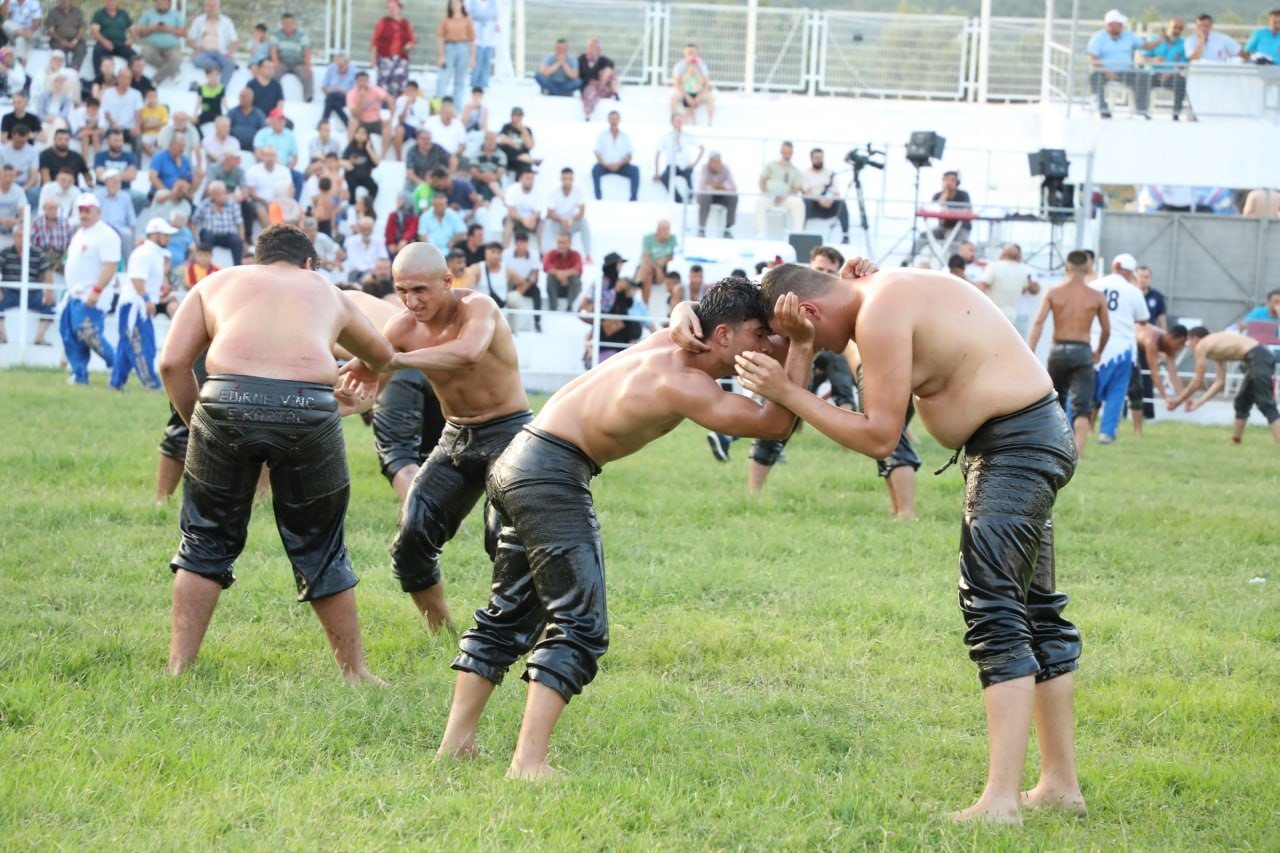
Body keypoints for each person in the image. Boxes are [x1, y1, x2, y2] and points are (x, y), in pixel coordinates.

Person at [691, 261, 1084, 824]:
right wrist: (694, 314)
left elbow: (880, 435)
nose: (821, 349)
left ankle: (1001, 801)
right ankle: (1059, 786)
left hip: (1016, 448)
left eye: (808, 337)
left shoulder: (877, 311)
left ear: (809, 310)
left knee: (995, 610)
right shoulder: (881, 293)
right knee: (1036, 613)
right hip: (1026, 439)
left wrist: (786, 391)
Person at [417, 276, 812, 779]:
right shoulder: (687, 383)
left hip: (519, 456)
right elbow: (777, 424)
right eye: (760, 335)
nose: (768, 346)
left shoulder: (670, 339)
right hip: (548, 474)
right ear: (723, 337)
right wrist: (802, 344)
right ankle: (528, 763)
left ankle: (456, 745)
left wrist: (714, 315)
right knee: (580, 625)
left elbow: (699, 315)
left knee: (510, 611)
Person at [158, 224, 395, 682]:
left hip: (224, 399)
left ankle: (179, 668)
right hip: (308, 408)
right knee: (322, 545)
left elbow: (171, 362)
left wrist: (199, 425)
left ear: (258, 258)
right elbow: (384, 354)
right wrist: (362, 368)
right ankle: (355, 673)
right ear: (310, 263)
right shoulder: (324, 289)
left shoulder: (217, 282)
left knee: (205, 538)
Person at [338, 241, 536, 632]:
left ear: (447, 280)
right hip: (456, 437)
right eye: (401, 291)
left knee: (504, 537)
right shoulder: (401, 329)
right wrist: (347, 401)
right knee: (411, 536)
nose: (410, 301)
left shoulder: (479, 307)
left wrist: (392, 358)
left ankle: (521, 632)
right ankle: (442, 632)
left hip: (510, 433)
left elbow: (467, 353)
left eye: (420, 290)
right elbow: (371, 386)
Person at [1027, 250, 1111, 458]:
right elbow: (1107, 329)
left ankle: (1055, 450)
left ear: (1066, 268)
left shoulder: (1053, 293)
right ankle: (1078, 454)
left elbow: (1038, 322)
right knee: (1082, 406)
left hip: (1058, 351)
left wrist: (1030, 350)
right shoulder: (1096, 296)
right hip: (1083, 351)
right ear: (1088, 268)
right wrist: (1099, 350)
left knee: (1056, 402)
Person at [1168, 327, 1280, 446]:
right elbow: (1220, 382)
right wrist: (1198, 402)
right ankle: (1235, 441)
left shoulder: (1202, 345)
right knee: (1241, 402)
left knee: (1266, 403)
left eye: (1189, 342)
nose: (1189, 346)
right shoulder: (1216, 348)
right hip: (1257, 357)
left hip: (1258, 357)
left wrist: (1177, 401)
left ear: (1195, 339)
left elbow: (1197, 380)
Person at [59, 193, 120, 385]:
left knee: (89, 334)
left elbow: (111, 265)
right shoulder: (80, 233)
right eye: (81, 210)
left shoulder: (106, 234)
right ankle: (79, 375)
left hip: (92, 295)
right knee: (70, 335)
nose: (84, 214)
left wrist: (97, 290)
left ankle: (118, 367)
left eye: (88, 210)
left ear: (98, 212)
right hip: (74, 294)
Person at [1090, 252, 1149, 445]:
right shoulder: (1133, 291)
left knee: (1089, 389)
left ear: (1113, 267)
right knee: (1116, 391)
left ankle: (1082, 429)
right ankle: (1107, 432)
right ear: (1130, 272)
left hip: (1094, 343)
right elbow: (1143, 319)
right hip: (1122, 346)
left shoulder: (1094, 285)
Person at [109, 217, 174, 390]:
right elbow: (137, 279)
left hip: (136, 304)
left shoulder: (153, 253)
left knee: (126, 347)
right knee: (143, 346)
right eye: (165, 235)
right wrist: (147, 300)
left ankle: (116, 384)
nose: (169, 238)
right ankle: (152, 384)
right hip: (136, 305)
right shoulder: (145, 253)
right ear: (154, 234)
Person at [1086, 10, 1153, 119]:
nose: (1122, 25)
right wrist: (1106, 71)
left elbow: (1145, 46)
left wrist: (1159, 40)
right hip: (1103, 71)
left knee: (1143, 75)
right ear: (1110, 24)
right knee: (1094, 77)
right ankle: (1103, 110)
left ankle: (1141, 112)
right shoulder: (1098, 37)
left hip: (1126, 71)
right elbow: (1092, 59)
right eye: (1119, 23)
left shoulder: (1128, 35)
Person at [1126, 323, 1188, 435]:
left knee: (1137, 388)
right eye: (1180, 344)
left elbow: (1173, 373)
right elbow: (1154, 373)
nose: (1179, 348)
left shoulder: (1169, 345)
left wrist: (1184, 398)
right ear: (1171, 337)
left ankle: (1138, 430)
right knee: (1134, 389)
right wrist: (1166, 397)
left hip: (1138, 345)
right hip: (1126, 342)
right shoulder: (1152, 340)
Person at [0, 223, 55, 346]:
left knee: (50, 305)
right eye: (19, 236)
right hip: (10, 292)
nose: (21, 239)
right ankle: (1, 335)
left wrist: (48, 291)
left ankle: (40, 337)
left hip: (32, 293)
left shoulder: (37, 253)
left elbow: (47, 271)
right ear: (14, 237)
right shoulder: (5, 252)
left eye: (24, 236)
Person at [977, 244, 1040, 339]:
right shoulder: (1023, 270)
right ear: (1018, 256)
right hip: (1014, 317)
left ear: (1001, 254)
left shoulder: (993, 266)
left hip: (994, 316)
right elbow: (1033, 289)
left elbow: (982, 286)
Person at [1140, 18, 1187, 121]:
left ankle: (1176, 114)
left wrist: (1170, 72)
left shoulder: (1183, 44)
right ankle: (1142, 113)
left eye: (1180, 28)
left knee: (1181, 82)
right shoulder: (1154, 38)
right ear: (1168, 27)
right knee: (1141, 80)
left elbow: (1183, 64)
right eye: (1175, 27)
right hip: (1152, 74)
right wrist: (1153, 60)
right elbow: (1141, 57)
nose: (1177, 30)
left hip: (1171, 76)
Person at [755, 141, 805, 235]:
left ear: (792, 153)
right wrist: (766, 192)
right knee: (760, 201)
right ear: (781, 152)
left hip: (785, 198)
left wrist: (785, 196)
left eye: (789, 153)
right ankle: (761, 232)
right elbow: (762, 180)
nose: (787, 155)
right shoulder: (771, 165)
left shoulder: (796, 171)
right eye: (785, 152)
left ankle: (798, 233)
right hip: (769, 196)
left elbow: (796, 188)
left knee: (798, 203)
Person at [802, 148, 850, 243]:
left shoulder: (830, 173)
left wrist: (830, 200)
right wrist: (820, 200)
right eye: (816, 158)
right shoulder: (805, 173)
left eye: (820, 157)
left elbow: (837, 191)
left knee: (842, 203)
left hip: (829, 204)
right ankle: (802, 234)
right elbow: (806, 191)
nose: (818, 160)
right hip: (813, 204)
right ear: (811, 159)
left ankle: (845, 236)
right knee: (804, 202)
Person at [653, 113, 702, 203]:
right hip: (671, 166)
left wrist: (694, 163)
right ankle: (680, 200)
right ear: (672, 122)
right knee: (665, 177)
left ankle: (691, 199)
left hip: (685, 166)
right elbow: (658, 154)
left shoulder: (687, 136)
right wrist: (656, 172)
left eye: (680, 121)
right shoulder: (666, 137)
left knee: (690, 177)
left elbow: (702, 148)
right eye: (676, 121)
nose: (679, 123)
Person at [542, 167, 590, 259]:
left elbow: (581, 211)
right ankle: (546, 255)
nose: (568, 181)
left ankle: (588, 255)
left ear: (573, 179)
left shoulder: (578, 191)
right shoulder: (554, 192)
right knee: (547, 222)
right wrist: (561, 219)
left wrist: (571, 219)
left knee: (584, 223)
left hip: (571, 222)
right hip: (558, 222)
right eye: (565, 179)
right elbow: (549, 213)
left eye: (570, 179)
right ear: (561, 179)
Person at [591, 110, 638, 202]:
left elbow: (629, 155)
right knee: (595, 169)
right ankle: (598, 197)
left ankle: (633, 197)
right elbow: (597, 153)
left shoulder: (625, 136)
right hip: (605, 166)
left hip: (621, 166)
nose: (614, 121)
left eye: (615, 119)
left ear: (619, 120)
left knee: (635, 170)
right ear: (608, 120)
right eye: (612, 119)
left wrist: (619, 164)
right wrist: (606, 164)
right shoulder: (602, 135)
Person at [435, 0, 475, 109]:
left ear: (462, 4)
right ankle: (439, 107)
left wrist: (472, 57)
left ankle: (456, 109)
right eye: (452, 3)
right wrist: (441, 55)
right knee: (443, 79)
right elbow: (440, 37)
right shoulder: (446, 19)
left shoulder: (467, 20)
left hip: (463, 48)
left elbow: (472, 39)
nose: (455, 5)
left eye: (457, 2)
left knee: (460, 81)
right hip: (449, 47)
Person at [345, 71, 393, 158]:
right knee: (352, 122)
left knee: (388, 125)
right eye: (361, 81)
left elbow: (390, 100)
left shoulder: (375, 90)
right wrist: (361, 101)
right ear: (356, 82)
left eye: (365, 81)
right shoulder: (351, 94)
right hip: (361, 122)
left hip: (376, 121)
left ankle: (383, 155)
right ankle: (351, 152)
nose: (363, 84)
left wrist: (391, 117)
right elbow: (355, 114)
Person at [371, 0, 414, 97]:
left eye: (393, 7)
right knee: (383, 85)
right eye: (389, 8)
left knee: (398, 85)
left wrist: (408, 45)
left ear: (400, 8)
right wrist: (373, 59)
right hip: (385, 58)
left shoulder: (406, 24)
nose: (391, 10)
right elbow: (375, 41)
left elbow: (412, 40)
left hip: (401, 59)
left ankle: (396, 106)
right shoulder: (383, 22)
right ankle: (384, 107)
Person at [136, 0, 185, 84]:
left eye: (162, 2)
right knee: (145, 52)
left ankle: (154, 81)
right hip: (152, 46)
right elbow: (140, 33)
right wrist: (152, 28)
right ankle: (174, 70)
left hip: (172, 47)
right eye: (158, 2)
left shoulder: (176, 14)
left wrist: (169, 29)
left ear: (168, 3)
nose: (159, 4)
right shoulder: (148, 13)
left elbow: (183, 33)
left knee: (177, 58)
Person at [270, 12, 312, 102]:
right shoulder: (276, 35)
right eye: (285, 23)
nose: (288, 25)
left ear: (294, 23)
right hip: (282, 63)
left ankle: (308, 97)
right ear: (282, 24)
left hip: (298, 63)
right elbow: (273, 50)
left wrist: (307, 64)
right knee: (272, 74)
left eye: (290, 23)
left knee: (308, 73)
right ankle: (271, 96)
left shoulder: (302, 35)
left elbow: (307, 50)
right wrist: (275, 62)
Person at [635, 218, 677, 306]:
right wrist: (657, 267)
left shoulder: (672, 239)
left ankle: (637, 285)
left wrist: (665, 259)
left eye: (668, 229)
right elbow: (646, 258)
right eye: (664, 229)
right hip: (650, 269)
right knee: (647, 271)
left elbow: (673, 255)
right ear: (658, 230)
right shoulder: (648, 238)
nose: (667, 232)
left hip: (661, 270)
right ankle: (645, 303)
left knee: (646, 269)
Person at [670, 43, 714, 124]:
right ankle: (674, 120)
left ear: (697, 53)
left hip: (698, 91)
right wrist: (687, 96)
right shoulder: (679, 65)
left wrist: (700, 95)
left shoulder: (702, 66)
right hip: (684, 91)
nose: (691, 55)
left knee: (710, 97)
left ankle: (710, 123)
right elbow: (677, 83)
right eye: (688, 53)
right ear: (684, 54)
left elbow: (706, 83)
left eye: (692, 53)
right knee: (673, 97)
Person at [579, 38, 618, 120]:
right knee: (591, 92)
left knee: (610, 72)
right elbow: (585, 73)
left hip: (601, 86)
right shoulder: (582, 59)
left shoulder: (601, 59)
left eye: (597, 47)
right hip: (589, 85)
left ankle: (615, 92)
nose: (595, 49)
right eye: (592, 46)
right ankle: (588, 112)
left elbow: (611, 65)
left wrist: (604, 76)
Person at [46, 0, 89, 76]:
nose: (63, 1)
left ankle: (73, 73)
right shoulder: (53, 12)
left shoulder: (78, 12)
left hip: (75, 40)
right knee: (59, 52)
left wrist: (75, 41)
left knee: (81, 49)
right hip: (58, 40)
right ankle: (62, 73)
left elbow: (82, 29)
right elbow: (50, 31)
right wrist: (62, 41)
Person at [542, 230, 581, 312]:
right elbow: (546, 267)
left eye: (563, 243)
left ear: (570, 243)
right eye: (559, 242)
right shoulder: (551, 254)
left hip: (570, 288)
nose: (560, 245)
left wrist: (562, 274)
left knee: (575, 279)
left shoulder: (576, 255)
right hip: (556, 288)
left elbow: (578, 269)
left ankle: (570, 306)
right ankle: (553, 307)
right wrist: (562, 275)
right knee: (550, 278)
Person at [90, 0, 135, 71]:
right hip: (103, 45)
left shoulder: (124, 14)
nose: (112, 2)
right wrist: (104, 42)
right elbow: (94, 32)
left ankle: (131, 79)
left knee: (134, 57)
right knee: (97, 52)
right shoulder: (99, 14)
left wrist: (131, 39)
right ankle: (99, 79)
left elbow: (133, 30)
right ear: (105, 1)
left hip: (121, 45)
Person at [342, 124, 380, 202]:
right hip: (352, 176)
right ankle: (352, 205)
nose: (360, 135)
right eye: (358, 133)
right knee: (351, 185)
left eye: (363, 133)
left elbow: (377, 162)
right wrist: (350, 162)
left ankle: (367, 205)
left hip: (365, 176)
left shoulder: (369, 149)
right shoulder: (350, 147)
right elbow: (343, 161)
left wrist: (369, 149)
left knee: (374, 187)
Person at [497, 107, 536, 178]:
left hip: (521, 159)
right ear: (512, 116)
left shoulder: (527, 130)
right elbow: (501, 138)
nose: (518, 118)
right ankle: (526, 158)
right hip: (508, 156)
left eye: (520, 116)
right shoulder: (507, 127)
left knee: (525, 168)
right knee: (507, 149)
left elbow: (530, 146)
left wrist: (523, 131)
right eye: (516, 115)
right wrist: (512, 143)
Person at [470, 0, 499, 90]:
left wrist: (498, 26)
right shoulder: (472, 2)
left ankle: (484, 83)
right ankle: (474, 83)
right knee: (477, 59)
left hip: (490, 37)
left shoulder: (494, 3)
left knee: (487, 61)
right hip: (476, 37)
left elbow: (499, 17)